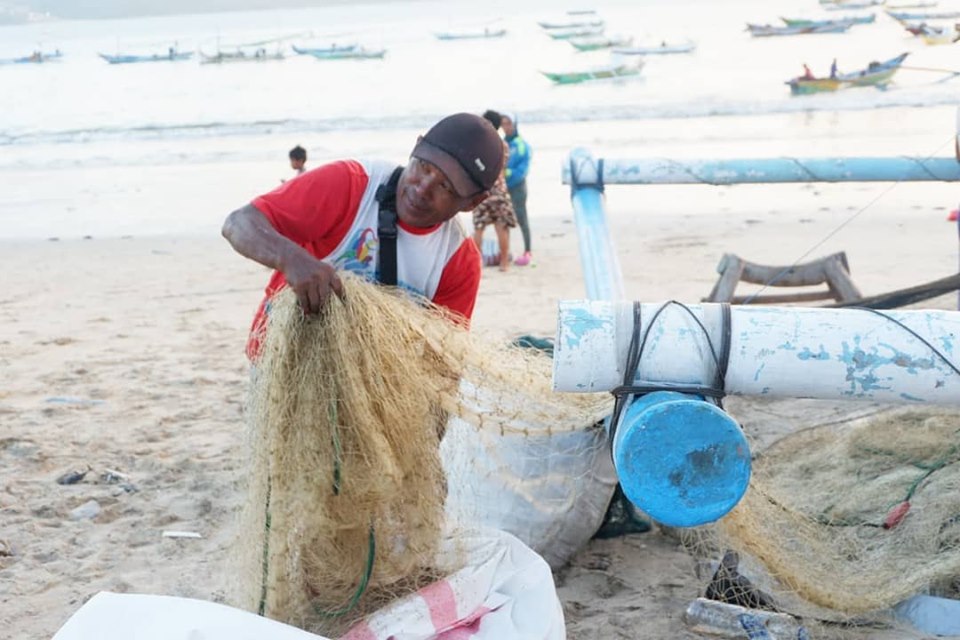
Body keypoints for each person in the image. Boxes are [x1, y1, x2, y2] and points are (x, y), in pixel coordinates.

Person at [222, 112, 503, 360]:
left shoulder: (457, 260)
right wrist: (292, 260)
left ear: (472, 202)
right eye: (423, 167)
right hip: (280, 357)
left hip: (370, 382)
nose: (422, 188)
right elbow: (239, 223)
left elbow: (444, 362)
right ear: (415, 147)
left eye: (445, 186)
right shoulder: (352, 184)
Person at [473, 110, 517, 272]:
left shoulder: (478, 145)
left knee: (479, 227)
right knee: (501, 227)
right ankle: (504, 263)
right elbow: (503, 166)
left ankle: (477, 263)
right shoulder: (503, 145)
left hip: (481, 190)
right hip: (499, 189)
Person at [499, 113, 532, 266]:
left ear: (514, 125)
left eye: (509, 124)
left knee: (521, 218)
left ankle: (528, 250)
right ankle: (506, 253)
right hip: (504, 187)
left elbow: (522, 169)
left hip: (518, 187)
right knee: (504, 220)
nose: (506, 127)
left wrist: (507, 173)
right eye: (503, 124)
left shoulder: (521, 145)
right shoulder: (501, 143)